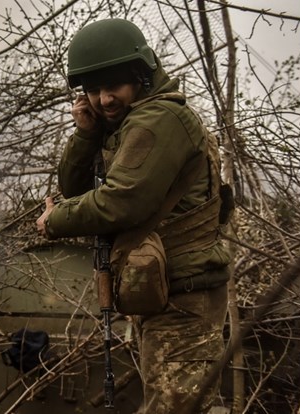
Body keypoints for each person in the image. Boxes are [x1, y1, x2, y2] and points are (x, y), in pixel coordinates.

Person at [35, 18, 232, 413]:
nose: (104, 99)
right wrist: (86, 134)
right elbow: (78, 190)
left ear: (141, 75)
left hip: (186, 301)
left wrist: (56, 220)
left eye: (113, 86)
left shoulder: (158, 120)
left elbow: (120, 202)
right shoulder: (126, 126)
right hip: (166, 297)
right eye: (93, 89)